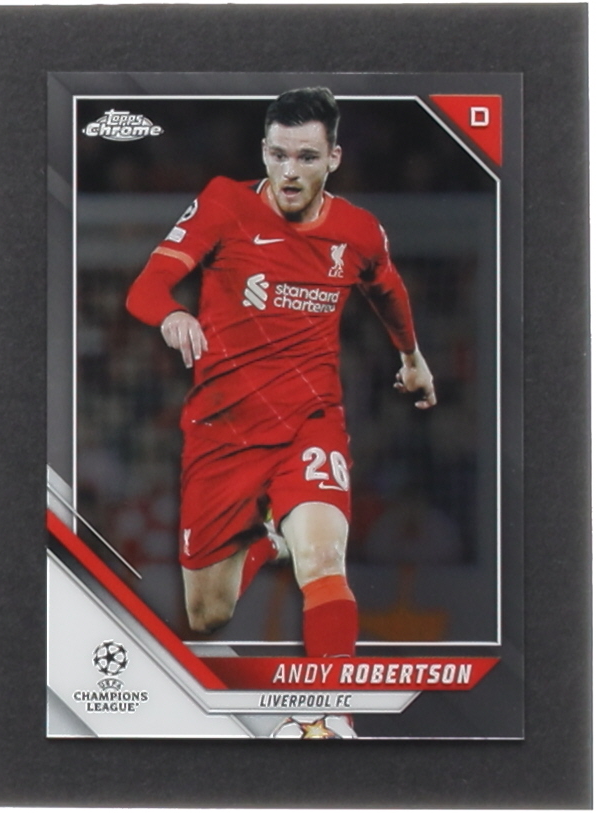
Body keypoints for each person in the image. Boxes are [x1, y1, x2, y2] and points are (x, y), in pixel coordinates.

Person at [126, 88, 436, 735]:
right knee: (207, 613)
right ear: (262, 152)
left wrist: (411, 357)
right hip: (222, 430)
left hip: (309, 420)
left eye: (306, 157)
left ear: (334, 158)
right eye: (277, 155)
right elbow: (146, 287)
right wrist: (174, 313)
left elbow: (387, 287)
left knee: (322, 561)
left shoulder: (358, 230)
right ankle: (267, 540)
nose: (289, 171)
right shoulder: (224, 203)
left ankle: (329, 715)